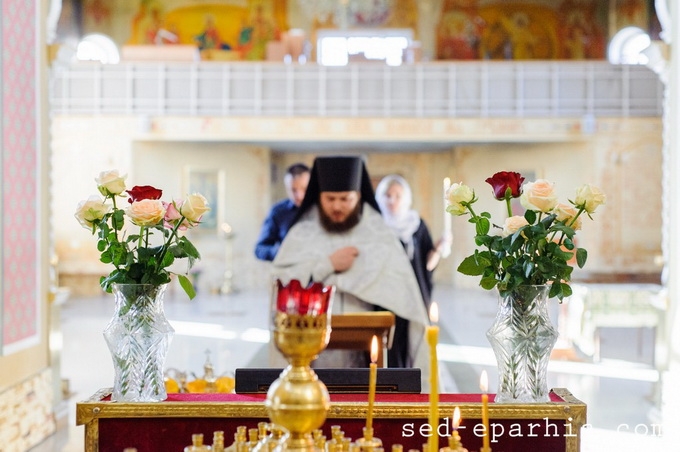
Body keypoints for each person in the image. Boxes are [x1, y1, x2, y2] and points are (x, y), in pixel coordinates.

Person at [272, 156, 429, 370]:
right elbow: (278, 282)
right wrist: (327, 264)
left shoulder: (378, 233)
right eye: (330, 199)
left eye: (345, 199)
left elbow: (404, 297)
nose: (337, 206)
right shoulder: (302, 233)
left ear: (359, 196)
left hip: (367, 353)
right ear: (318, 197)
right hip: (310, 351)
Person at [375, 174, 452, 367]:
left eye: (397, 195)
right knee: (388, 342)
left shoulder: (416, 225)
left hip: (413, 294)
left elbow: (427, 266)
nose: (392, 200)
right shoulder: (375, 226)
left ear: (406, 198)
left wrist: (438, 248)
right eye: (387, 195)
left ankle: (409, 380)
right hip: (384, 296)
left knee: (411, 341)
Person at [254, 163, 310, 261]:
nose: (299, 196)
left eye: (304, 189)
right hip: (287, 272)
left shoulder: (323, 209)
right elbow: (260, 249)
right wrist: (279, 252)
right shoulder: (278, 211)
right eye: (293, 190)